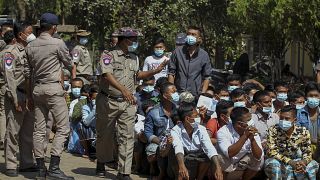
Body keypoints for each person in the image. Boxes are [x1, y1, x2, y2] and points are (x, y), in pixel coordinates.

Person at [96, 27, 167, 180]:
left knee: (127, 136)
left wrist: (155, 71)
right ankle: (101, 161)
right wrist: (123, 90)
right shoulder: (108, 55)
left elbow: (138, 75)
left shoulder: (134, 57)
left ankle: (124, 172)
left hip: (128, 103)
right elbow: (107, 74)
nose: (136, 43)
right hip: (108, 101)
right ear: (124, 39)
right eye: (133, 40)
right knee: (105, 135)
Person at [25, 13, 74, 180]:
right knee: (63, 127)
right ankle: (54, 167)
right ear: (54, 27)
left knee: (38, 130)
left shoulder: (30, 45)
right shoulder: (58, 43)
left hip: (37, 90)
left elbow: (27, 73)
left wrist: (29, 97)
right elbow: (68, 63)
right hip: (53, 89)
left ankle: (40, 170)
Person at [1, 23, 36, 177]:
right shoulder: (10, 52)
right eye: (29, 32)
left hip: (28, 95)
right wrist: (15, 100)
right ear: (21, 34)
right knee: (13, 131)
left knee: (28, 132)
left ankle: (27, 163)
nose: (31, 35)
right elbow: (9, 79)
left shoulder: (29, 50)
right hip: (17, 94)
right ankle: (10, 164)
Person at [169, 102, 223, 180]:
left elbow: (209, 147)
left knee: (208, 156)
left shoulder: (201, 129)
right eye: (196, 116)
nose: (199, 117)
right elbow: (178, 148)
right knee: (174, 154)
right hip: (184, 157)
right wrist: (182, 166)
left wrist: (218, 167)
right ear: (187, 119)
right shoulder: (175, 130)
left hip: (196, 156)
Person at [264, 105, 319, 179]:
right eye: (281, 118)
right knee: (274, 164)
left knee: (312, 165)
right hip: (279, 161)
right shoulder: (273, 130)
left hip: (298, 161)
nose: (283, 121)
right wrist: (290, 162)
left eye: (287, 119)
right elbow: (272, 152)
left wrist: (303, 162)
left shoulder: (303, 131)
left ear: (295, 120)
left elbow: (307, 152)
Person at [217, 107, 263, 179]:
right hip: (228, 163)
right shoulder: (223, 131)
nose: (251, 121)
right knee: (221, 158)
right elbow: (229, 153)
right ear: (239, 124)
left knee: (259, 159)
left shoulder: (252, 129)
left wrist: (252, 139)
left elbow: (258, 155)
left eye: (250, 118)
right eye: (248, 120)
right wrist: (245, 136)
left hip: (242, 162)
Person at [144, 82, 177, 179]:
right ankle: (160, 172)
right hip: (159, 140)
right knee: (156, 149)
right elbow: (148, 133)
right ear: (165, 95)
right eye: (173, 91)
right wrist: (161, 141)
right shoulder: (153, 112)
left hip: (175, 140)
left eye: (176, 91)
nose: (176, 93)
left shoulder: (178, 110)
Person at [168, 26, 212, 97]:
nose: (190, 36)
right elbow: (171, 73)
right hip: (178, 93)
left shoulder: (204, 55)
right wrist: (172, 91)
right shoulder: (177, 52)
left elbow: (207, 77)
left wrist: (202, 94)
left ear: (199, 38)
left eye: (193, 34)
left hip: (194, 94)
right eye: (188, 34)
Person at [296, 82, 320, 156]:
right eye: (311, 96)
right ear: (306, 97)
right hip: (304, 149)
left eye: (316, 96)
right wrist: (312, 140)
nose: (313, 98)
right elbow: (297, 133)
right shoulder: (299, 113)